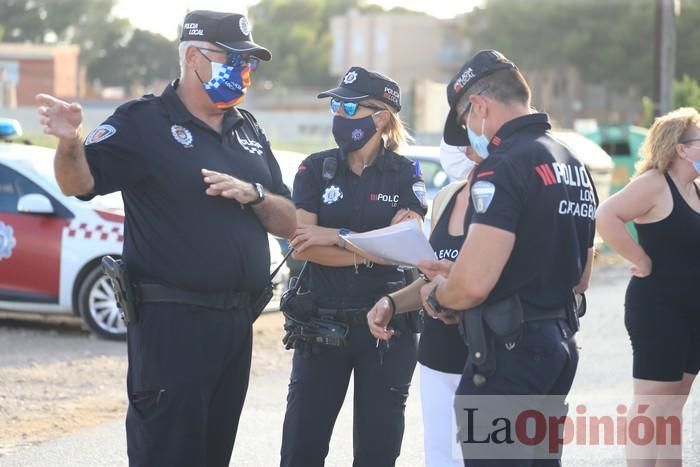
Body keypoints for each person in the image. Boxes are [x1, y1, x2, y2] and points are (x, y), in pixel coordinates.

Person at [36, 10, 296, 467]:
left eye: (248, 62)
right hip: (172, 324)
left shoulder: (248, 130)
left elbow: (289, 219)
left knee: (214, 453)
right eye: (232, 59)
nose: (243, 71)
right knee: (167, 453)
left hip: (235, 324)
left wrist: (254, 196)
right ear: (193, 57)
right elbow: (79, 183)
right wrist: (70, 142)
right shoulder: (144, 123)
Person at [418, 50, 595, 466]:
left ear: (478, 105)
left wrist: (441, 295)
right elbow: (582, 276)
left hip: (509, 355)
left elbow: (474, 283)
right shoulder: (572, 163)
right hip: (558, 344)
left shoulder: (503, 166)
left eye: (465, 121)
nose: (469, 133)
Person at [280, 66, 427, 467]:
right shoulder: (314, 168)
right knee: (300, 448)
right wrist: (365, 247)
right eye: (335, 106)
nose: (338, 115)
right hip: (321, 325)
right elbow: (303, 246)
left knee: (378, 451)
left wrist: (334, 235)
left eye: (348, 106)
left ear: (380, 117)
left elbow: (404, 249)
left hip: (387, 327)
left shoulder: (405, 172)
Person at [596, 107, 700, 466]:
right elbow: (607, 215)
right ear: (682, 149)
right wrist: (639, 258)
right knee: (652, 411)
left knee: (673, 410)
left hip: (693, 313)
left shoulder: (696, 191)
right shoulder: (655, 184)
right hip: (658, 310)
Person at [368, 139, 475, 467]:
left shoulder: (506, 200)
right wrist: (392, 303)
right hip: (437, 359)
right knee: (442, 460)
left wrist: (451, 294)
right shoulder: (447, 197)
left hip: (488, 359)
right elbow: (431, 278)